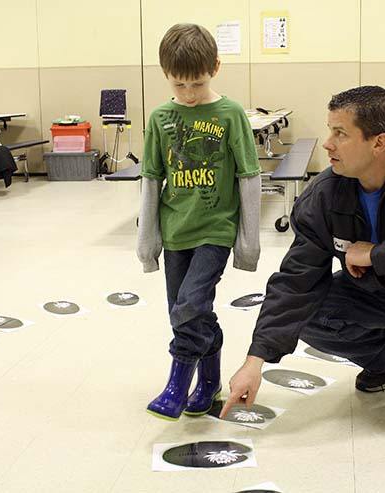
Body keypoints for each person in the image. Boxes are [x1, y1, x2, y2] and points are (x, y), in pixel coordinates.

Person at [221, 85, 385, 439]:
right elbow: (297, 279)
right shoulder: (325, 195)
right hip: (374, 291)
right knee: (309, 309)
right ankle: (384, 355)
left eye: (340, 133)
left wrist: (375, 254)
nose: (328, 143)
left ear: (379, 142)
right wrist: (255, 361)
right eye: (331, 131)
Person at [138, 23, 262, 421]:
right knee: (187, 309)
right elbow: (151, 180)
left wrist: (247, 243)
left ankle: (178, 383)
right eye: (179, 86)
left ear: (216, 68)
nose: (189, 95)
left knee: (190, 304)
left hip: (215, 230)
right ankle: (209, 383)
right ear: (165, 76)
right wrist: (148, 243)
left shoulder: (230, 114)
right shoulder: (160, 118)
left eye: (197, 83)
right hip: (176, 232)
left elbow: (249, 176)